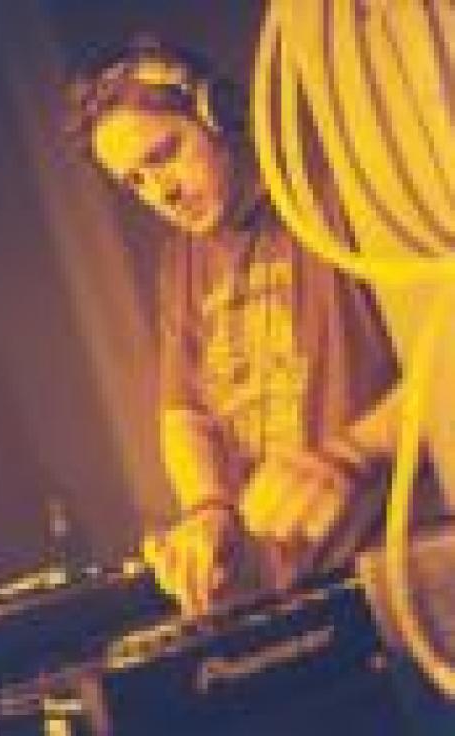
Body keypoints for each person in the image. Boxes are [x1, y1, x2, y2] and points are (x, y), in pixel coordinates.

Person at [64, 37, 402, 615]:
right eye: (135, 182)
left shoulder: (342, 195)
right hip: (301, 585)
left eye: (164, 154)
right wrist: (208, 508)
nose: (161, 193)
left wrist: (354, 452)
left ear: (217, 111)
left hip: (405, 559)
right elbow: (186, 414)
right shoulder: (182, 260)